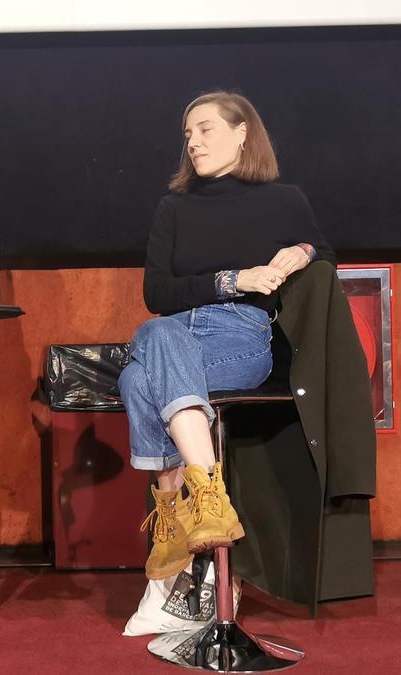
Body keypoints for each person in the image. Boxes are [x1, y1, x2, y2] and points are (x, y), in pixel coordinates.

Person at [121, 91, 336, 580]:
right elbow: (157, 292)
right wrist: (234, 279)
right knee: (153, 347)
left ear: (242, 134)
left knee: (142, 373)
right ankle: (207, 502)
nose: (193, 143)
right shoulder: (173, 208)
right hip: (173, 333)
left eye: (205, 130)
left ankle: (175, 516)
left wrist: (302, 251)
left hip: (240, 338)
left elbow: (324, 252)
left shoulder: (284, 200)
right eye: (188, 135)